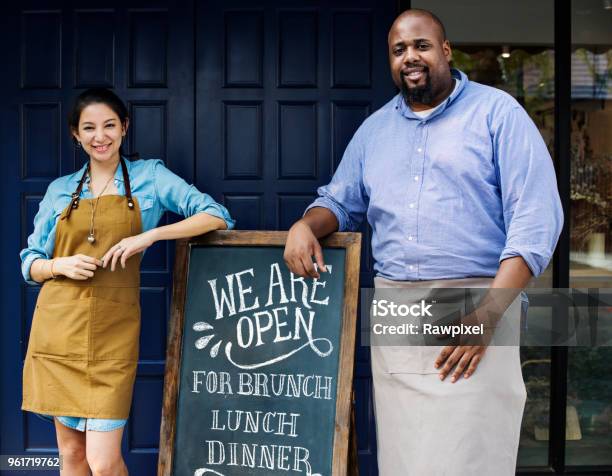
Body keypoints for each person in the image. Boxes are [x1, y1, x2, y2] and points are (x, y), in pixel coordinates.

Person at [283, 8, 563, 476]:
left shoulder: (498, 114)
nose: (409, 57)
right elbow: (339, 200)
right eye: (398, 50)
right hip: (397, 310)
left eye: (421, 46)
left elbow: (535, 222)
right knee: (405, 459)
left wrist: (488, 314)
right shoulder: (374, 131)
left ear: (446, 51)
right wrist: (306, 226)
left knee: (472, 458)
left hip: (477, 303)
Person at [20, 88, 235, 475]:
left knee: (102, 462)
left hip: (112, 334)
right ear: (76, 134)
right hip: (57, 332)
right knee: (71, 457)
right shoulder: (60, 190)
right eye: (89, 128)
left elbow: (216, 216)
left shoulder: (149, 177)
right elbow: (29, 263)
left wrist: (148, 236)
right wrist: (59, 266)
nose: (99, 136)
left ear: (124, 128)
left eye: (108, 126)